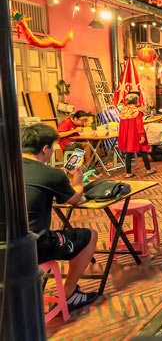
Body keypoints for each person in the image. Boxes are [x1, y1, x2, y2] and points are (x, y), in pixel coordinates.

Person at [21, 123, 99, 312]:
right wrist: (78, 180)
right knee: (90, 235)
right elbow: (74, 199)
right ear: (45, 148)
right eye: (53, 147)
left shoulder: (8, 168)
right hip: (35, 246)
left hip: (8, 244)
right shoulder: (51, 174)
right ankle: (70, 294)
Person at [118, 92, 156, 178]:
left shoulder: (122, 111)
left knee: (128, 153)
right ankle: (148, 169)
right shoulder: (137, 111)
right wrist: (142, 135)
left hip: (126, 135)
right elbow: (139, 124)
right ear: (136, 101)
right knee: (143, 151)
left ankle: (128, 173)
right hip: (135, 134)